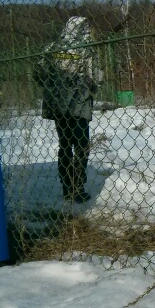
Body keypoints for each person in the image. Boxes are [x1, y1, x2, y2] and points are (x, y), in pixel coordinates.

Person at [33, 16, 101, 203]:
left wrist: (53, 87)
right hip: (78, 105)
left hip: (57, 105)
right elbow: (95, 77)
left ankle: (66, 187)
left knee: (64, 145)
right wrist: (88, 91)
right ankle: (78, 188)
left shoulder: (51, 48)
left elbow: (38, 73)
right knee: (81, 145)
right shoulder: (86, 50)